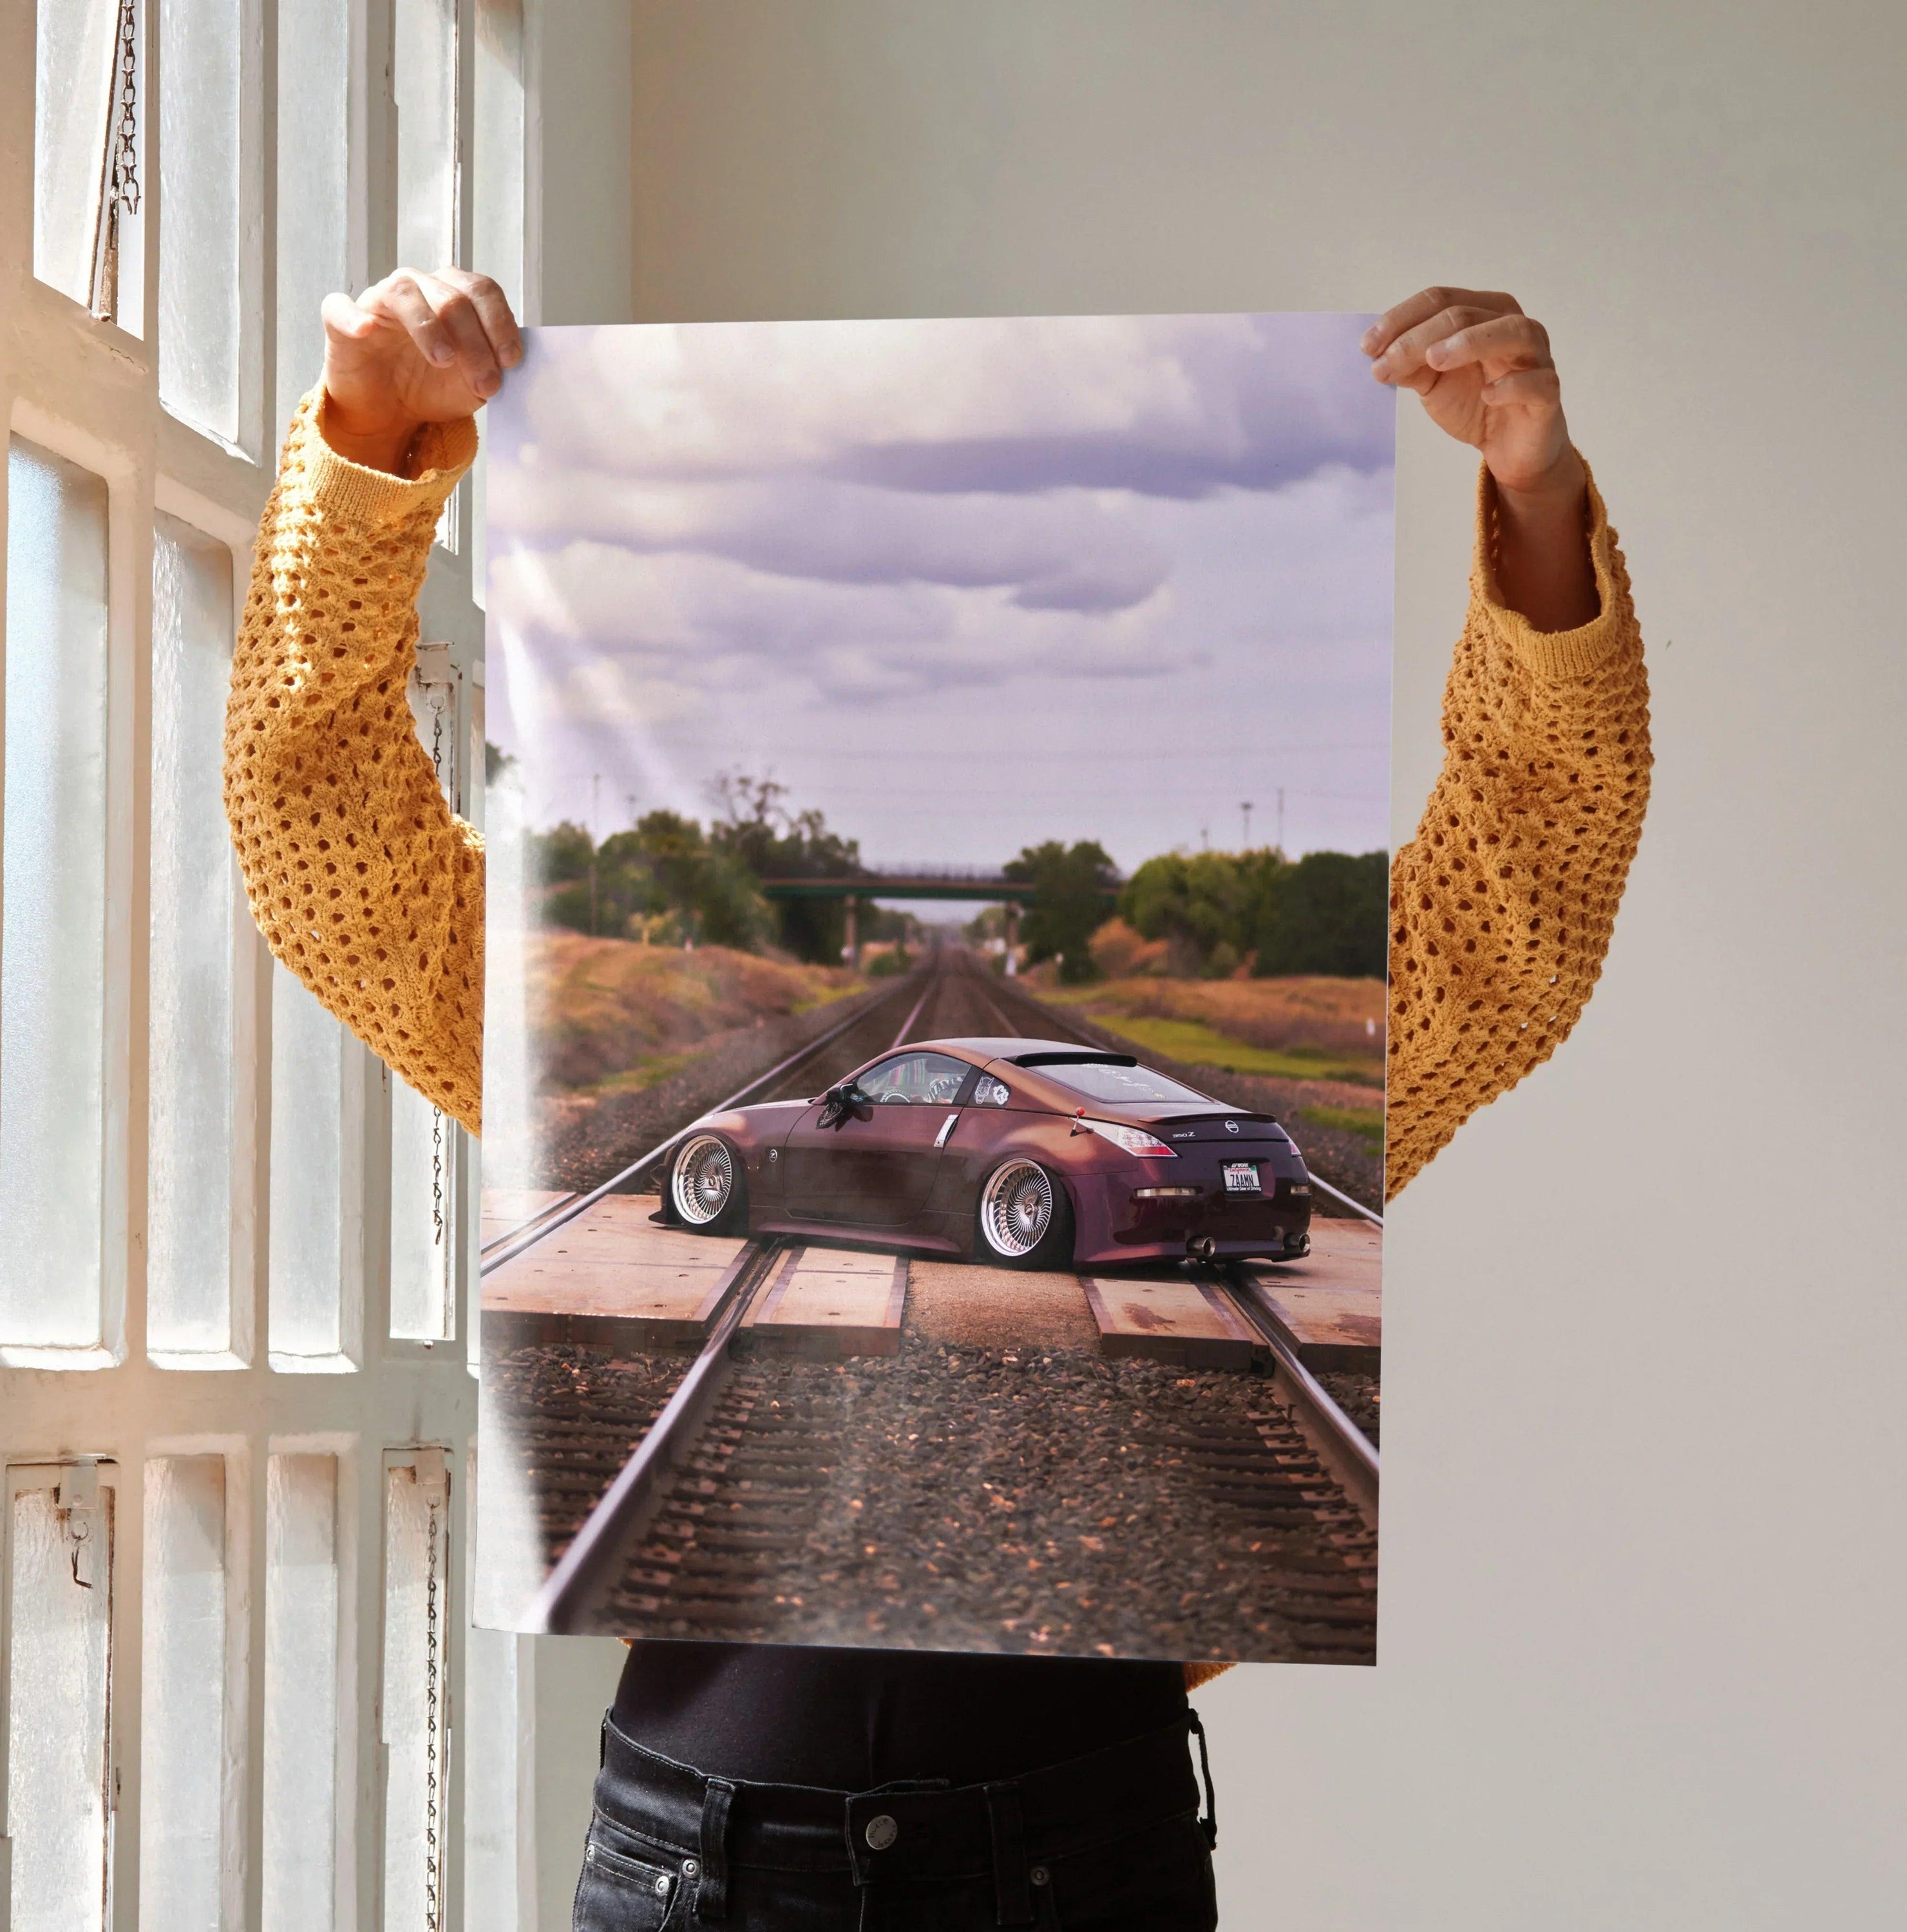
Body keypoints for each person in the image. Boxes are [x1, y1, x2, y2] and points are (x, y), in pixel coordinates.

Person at [225, 269, 1649, 1929]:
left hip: (1080, 1853)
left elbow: (1517, 906)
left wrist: (1536, 499)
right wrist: (366, 446)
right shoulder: (583, 1006)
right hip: (707, 1864)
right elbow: (322, 840)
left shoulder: (1208, 1076)